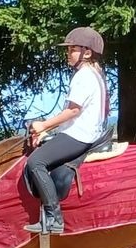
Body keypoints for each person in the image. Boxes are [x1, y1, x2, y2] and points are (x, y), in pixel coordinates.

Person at [24, 27, 110, 235]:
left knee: (36, 162)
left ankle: (54, 218)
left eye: (72, 49)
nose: (68, 53)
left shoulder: (83, 76)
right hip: (82, 132)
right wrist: (48, 134)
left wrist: (43, 125)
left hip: (79, 135)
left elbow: (73, 110)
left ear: (86, 52)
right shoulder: (94, 74)